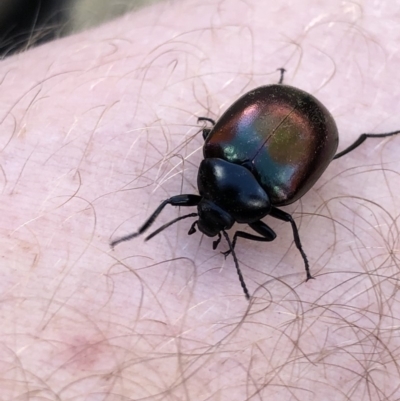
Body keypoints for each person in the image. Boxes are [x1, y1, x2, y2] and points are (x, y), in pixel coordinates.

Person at [1, 1, 399, 399]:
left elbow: (285, 229)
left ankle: (368, 137)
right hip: (288, 115)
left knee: (292, 220)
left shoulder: (234, 172)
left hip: (293, 115)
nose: (203, 221)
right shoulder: (238, 172)